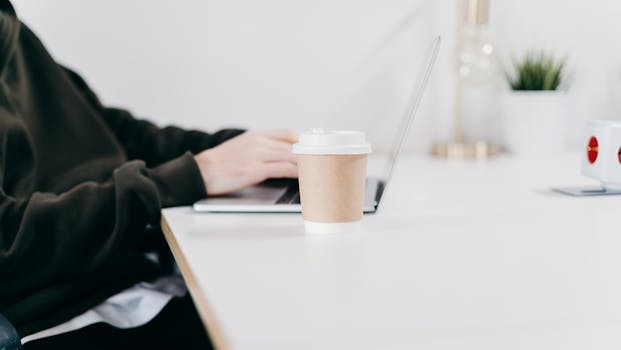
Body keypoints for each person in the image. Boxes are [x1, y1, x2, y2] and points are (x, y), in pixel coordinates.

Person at [0, 1, 297, 349]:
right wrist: (191, 176)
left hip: (137, 279)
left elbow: (116, 134)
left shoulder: (12, 31)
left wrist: (255, 155)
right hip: (65, 317)